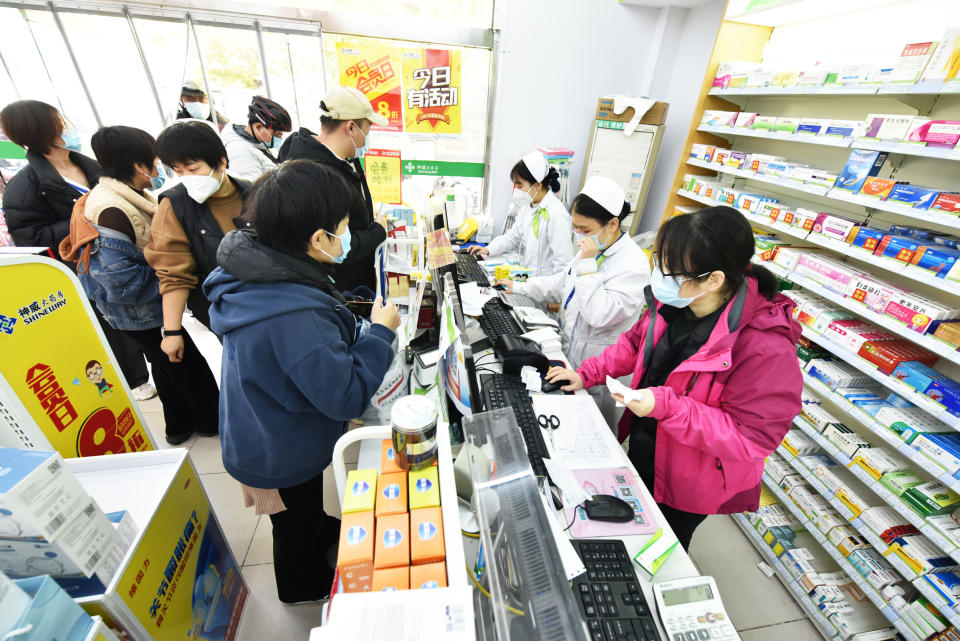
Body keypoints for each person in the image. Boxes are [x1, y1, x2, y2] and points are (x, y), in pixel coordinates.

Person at [545, 206, 803, 549]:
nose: (660, 276)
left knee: (664, 546)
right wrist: (585, 374)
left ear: (713, 280)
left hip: (692, 478)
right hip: (647, 445)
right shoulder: (676, 304)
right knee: (633, 526)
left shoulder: (764, 347)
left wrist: (666, 407)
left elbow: (752, 437)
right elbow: (635, 344)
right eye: (659, 263)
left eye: (671, 271)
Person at [204, 160, 401, 603]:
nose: (348, 234)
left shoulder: (257, 267)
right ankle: (302, 586)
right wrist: (382, 333)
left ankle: (319, 529)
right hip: (277, 447)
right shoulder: (295, 317)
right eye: (345, 226)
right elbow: (345, 397)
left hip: (265, 423)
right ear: (317, 239)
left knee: (303, 510)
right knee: (292, 525)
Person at [59, 126, 220, 445]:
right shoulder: (111, 210)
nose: (159, 169)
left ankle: (177, 427)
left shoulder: (125, 196)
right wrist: (179, 278)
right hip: (137, 310)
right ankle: (211, 422)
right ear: (138, 165)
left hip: (140, 307)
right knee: (188, 366)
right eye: (156, 161)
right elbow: (121, 281)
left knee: (166, 364)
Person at [0, 100, 154, 401]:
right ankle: (135, 377)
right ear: (41, 129)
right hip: (87, 266)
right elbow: (31, 238)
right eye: (57, 120)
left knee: (144, 315)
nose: (64, 125)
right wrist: (83, 220)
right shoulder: (24, 187)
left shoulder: (88, 164)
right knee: (112, 322)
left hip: (127, 254)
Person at [495, 177, 649, 427]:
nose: (579, 236)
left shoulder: (633, 266)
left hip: (603, 372)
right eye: (576, 228)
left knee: (593, 431)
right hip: (572, 357)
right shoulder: (592, 247)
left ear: (612, 224)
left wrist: (587, 266)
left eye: (584, 229)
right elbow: (560, 282)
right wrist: (519, 286)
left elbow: (599, 314)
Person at [145, 120, 252, 363]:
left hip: (271, 301)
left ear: (221, 162)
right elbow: (173, 273)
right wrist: (172, 331)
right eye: (178, 171)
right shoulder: (174, 206)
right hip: (226, 314)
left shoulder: (252, 192)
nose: (186, 178)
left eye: (193, 169)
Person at [277, 86, 387, 294]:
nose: (367, 138)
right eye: (368, 130)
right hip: (338, 285)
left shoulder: (344, 158)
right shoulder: (313, 177)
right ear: (351, 128)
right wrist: (378, 231)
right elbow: (335, 245)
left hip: (355, 275)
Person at [468, 151, 573, 277]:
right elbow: (512, 237)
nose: (516, 189)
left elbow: (563, 264)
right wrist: (488, 249)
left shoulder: (556, 214)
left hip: (547, 290)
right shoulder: (528, 207)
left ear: (538, 185)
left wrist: (554, 292)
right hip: (529, 283)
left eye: (519, 185)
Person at [221, 96, 292, 182]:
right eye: (278, 135)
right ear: (259, 127)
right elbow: (254, 190)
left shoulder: (256, 143)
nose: (280, 138)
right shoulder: (240, 152)